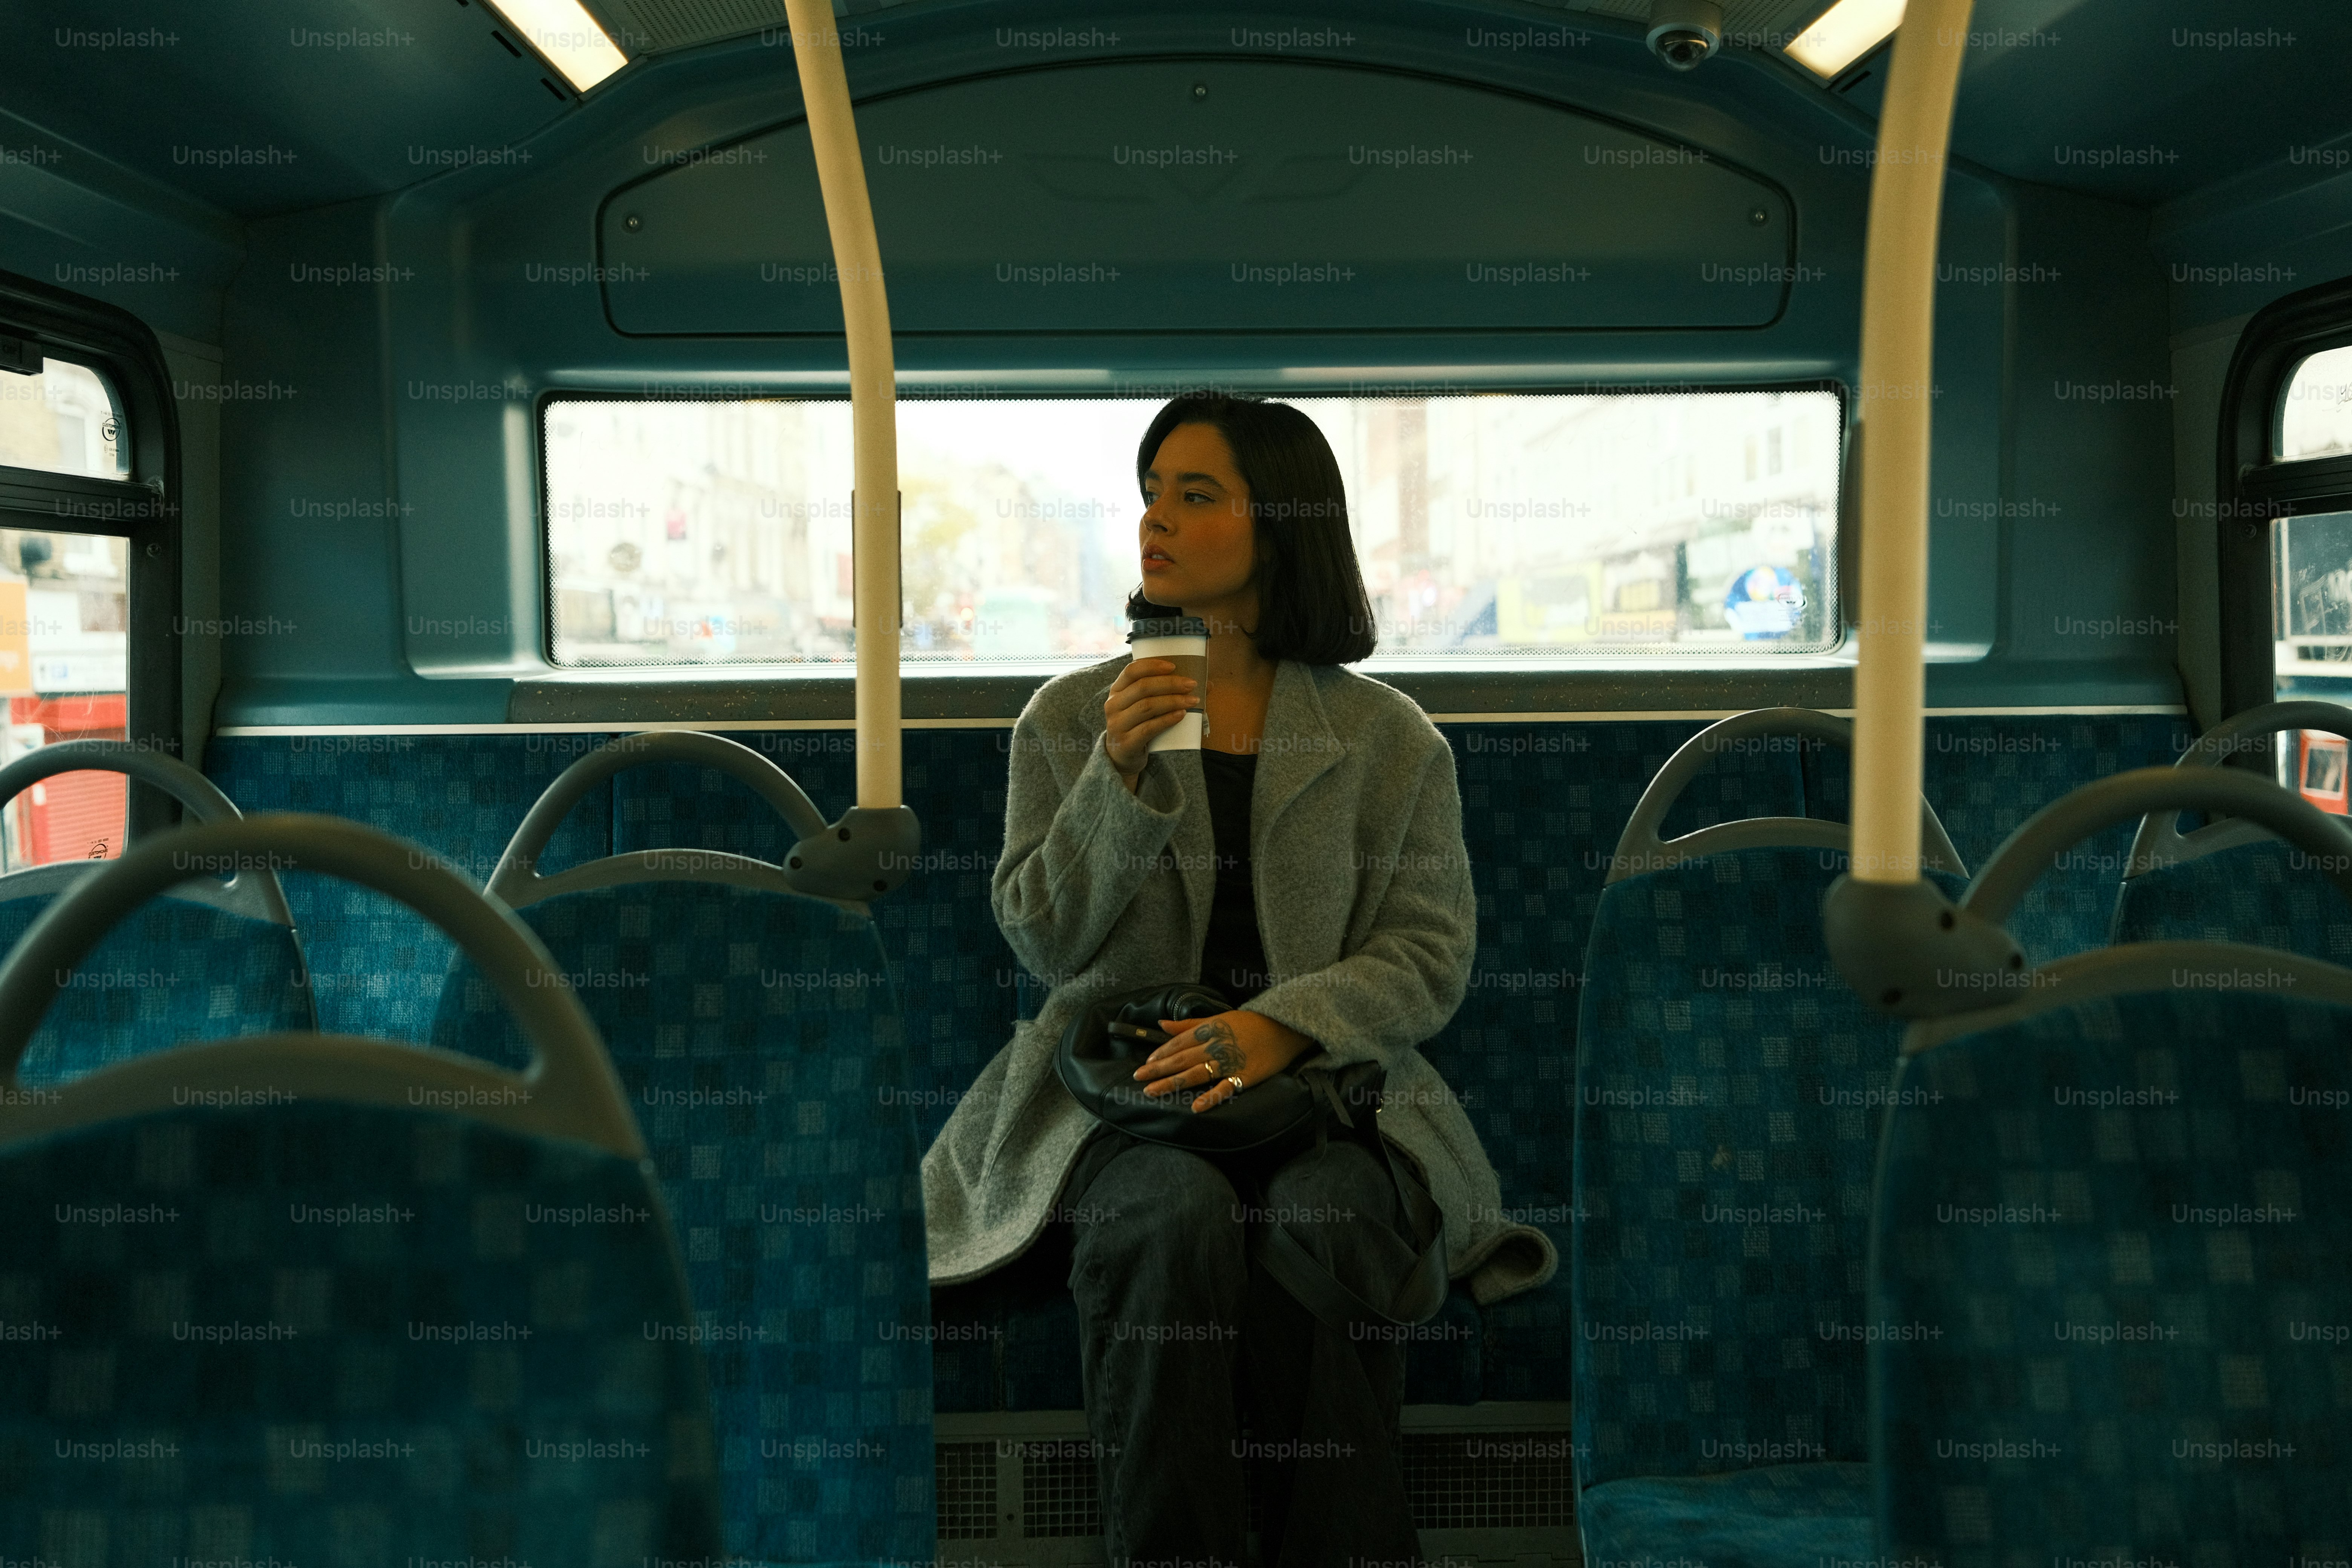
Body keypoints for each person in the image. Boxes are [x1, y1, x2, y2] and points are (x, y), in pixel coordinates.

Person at [921, 392, 1556, 1568]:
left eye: (1195, 495)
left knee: (1324, 1213)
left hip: (1335, 1096)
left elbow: (1429, 955)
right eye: (1151, 491)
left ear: (1286, 524)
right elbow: (1044, 943)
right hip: (1126, 1106)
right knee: (1171, 1217)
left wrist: (1279, 1030)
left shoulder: (1390, 740)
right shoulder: (1070, 720)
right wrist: (1117, 776)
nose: (1155, 519)